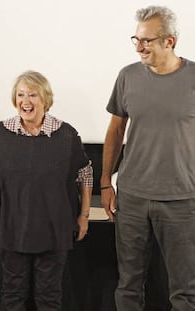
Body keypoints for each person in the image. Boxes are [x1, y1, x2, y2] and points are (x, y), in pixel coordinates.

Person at [101, 5, 195, 311]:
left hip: (182, 200)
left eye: (147, 40)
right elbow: (115, 131)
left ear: (170, 41)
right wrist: (105, 182)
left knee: (185, 292)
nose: (139, 47)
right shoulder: (127, 76)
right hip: (132, 197)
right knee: (128, 285)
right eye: (136, 39)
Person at [0, 70, 93, 311]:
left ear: (45, 100)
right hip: (12, 227)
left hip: (54, 228)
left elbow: (85, 173)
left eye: (32, 95)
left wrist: (84, 215)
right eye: (20, 95)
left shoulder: (66, 134)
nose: (25, 101)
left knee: (49, 296)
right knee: (12, 293)